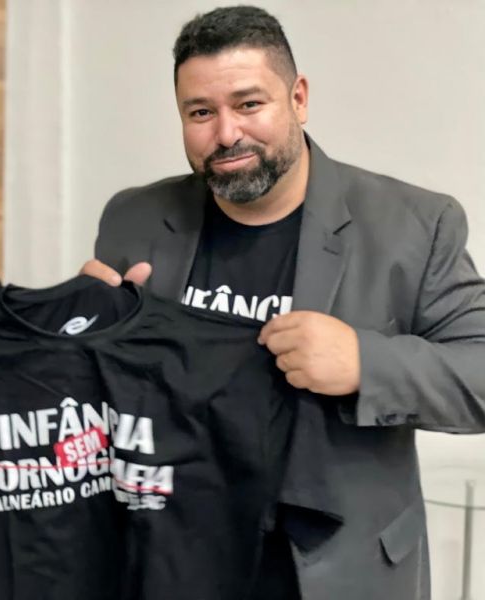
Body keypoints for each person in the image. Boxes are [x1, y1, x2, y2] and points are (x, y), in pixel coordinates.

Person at [82, 6, 485, 600]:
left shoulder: (415, 224)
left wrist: (364, 362)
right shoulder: (134, 217)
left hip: (338, 568)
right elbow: (101, 392)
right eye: (201, 113)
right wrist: (84, 329)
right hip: (175, 556)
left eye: (249, 104)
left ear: (298, 98)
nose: (226, 134)